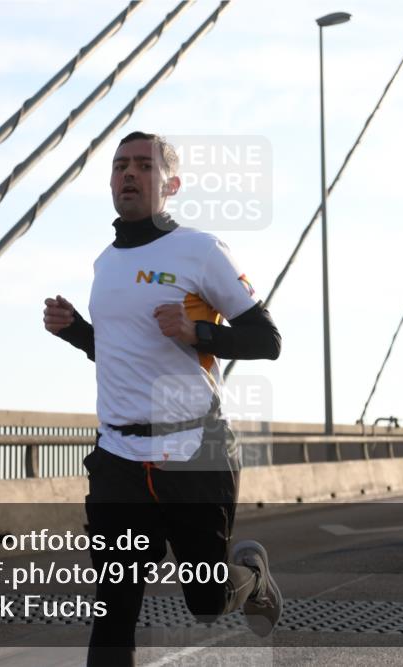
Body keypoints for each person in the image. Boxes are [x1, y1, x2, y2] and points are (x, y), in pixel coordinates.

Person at [43, 131, 283, 666]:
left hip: (195, 450)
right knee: (114, 612)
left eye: (144, 166)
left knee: (207, 600)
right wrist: (76, 331)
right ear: (109, 182)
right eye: (121, 166)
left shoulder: (201, 251)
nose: (130, 174)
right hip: (119, 458)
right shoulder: (104, 264)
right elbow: (117, 353)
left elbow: (267, 340)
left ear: (170, 184)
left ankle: (254, 575)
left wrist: (200, 335)